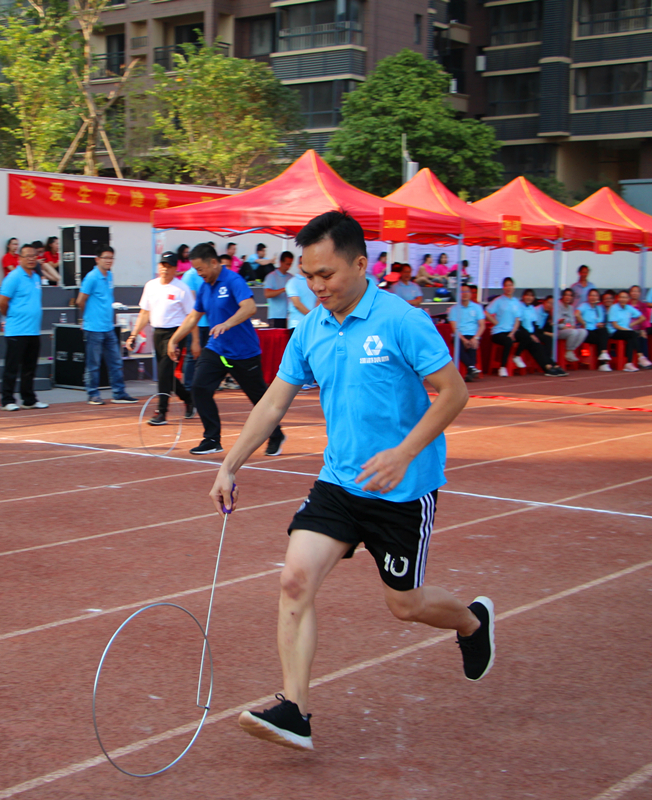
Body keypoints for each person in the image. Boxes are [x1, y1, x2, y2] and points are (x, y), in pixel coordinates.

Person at [208, 211, 495, 751]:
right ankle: (295, 709)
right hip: (339, 482)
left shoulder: (402, 320)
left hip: (402, 490)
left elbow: (453, 392)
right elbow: (273, 403)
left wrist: (403, 454)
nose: (316, 286)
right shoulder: (310, 329)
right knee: (294, 580)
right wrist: (230, 463)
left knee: (405, 606)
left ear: (361, 265)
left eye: (327, 274)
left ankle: (471, 623)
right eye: (308, 276)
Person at [167, 244, 285, 456]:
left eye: (201, 268)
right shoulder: (205, 287)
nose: (199, 273)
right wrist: (174, 340)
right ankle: (212, 439)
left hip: (243, 352)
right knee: (199, 388)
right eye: (195, 270)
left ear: (213, 262)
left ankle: (276, 434)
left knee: (259, 399)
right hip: (216, 349)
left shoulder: (233, 280)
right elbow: (193, 316)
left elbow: (250, 307)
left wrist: (227, 323)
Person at [126, 252, 194, 425]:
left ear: (175, 269)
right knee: (167, 374)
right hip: (158, 333)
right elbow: (144, 313)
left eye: (169, 266)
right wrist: (133, 334)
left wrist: (195, 341)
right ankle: (188, 398)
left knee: (164, 373)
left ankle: (161, 412)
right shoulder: (151, 286)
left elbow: (192, 316)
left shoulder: (182, 289)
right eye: (163, 265)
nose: (165, 269)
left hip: (175, 335)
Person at [76, 245, 138, 405]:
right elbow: (80, 300)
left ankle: (119, 393)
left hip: (108, 326)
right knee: (93, 364)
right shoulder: (91, 277)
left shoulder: (110, 276)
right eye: (105, 258)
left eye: (111, 258)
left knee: (116, 362)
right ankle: (93, 394)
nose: (109, 261)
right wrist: (88, 318)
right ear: (97, 259)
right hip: (94, 328)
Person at [0, 244, 49, 411]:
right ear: (20, 258)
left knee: (29, 368)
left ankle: (29, 400)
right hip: (16, 330)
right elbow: (2, 302)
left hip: (33, 330)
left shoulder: (36, 277)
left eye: (34, 256)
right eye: (27, 256)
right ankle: (7, 400)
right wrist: (11, 316)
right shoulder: (13, 277)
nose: (31, 259)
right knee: (12, 367)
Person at [513, 289, 566, 376]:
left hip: (531, 333)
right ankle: (546, 366)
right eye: (527, 295)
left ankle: (551, 364)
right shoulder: (519, 307)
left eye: (531, 296)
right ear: (523, 296)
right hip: (521, 334)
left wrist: (534, 334)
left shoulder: (531, 308)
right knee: (537, 345)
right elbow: (519, 325)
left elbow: (534, 325)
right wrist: (531, 335)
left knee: (542, 343)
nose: (529, 297)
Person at [181, 258, 211, 392]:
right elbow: (191, 304)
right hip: (195, 324)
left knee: (207, 357)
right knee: (192, 355)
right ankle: (188, 387)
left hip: (209, 323)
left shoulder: (210, 274)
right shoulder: (190, 276)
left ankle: (203, 385)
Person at [485, 277, 522, 377]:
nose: (508, 287)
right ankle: (502, 367)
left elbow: (517, 320)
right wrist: (495, 322)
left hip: (511, 331)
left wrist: (512, 333)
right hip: (498, 332)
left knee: (526, 335)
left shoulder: (516, 302)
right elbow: (486, 312)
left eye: (510, 285)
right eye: (506, 285)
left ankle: (516, 356)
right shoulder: (498, 300)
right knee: (508, 341)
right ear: (503, 288)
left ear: (514, 287)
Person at [447, 284, 485, 382]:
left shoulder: (477, 307)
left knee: (473, 345)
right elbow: (454, 328)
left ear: (470, 293)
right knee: (458, 344)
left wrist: (476, 338)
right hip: (459, 335)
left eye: (467, 291)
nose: (464, 294)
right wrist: (463, 340)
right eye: (462, 291)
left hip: (473, 334)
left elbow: (482, 325)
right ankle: (471, 368)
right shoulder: (454, 309)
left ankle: (470, 370)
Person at [606, 290, 651, 371]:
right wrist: (627, 330)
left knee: (631, 338)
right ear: (617, 298)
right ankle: (640, 356)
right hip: (614, 331)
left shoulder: (629, 307)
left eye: (625, 297)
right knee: (632, 334)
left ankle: (628, 363)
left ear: (628, 299)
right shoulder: (614, 308)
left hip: (627, 332)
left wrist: (631, 325)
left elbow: (642, 318)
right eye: (621, 297)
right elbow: (615, 325)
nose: (623, 299)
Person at [575, 288, 612, 370]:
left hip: (596, 331)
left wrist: (600, 324)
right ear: (588, 297)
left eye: (595, 296)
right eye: (591, 295)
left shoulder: (599, 308)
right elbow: (577, 314)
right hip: (586, 331)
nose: (593, 297)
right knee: (602, 339)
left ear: (598, 297)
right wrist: (583, 323)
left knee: (604, 331)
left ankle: (603, 356)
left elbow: (600, 321)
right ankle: (603, 363)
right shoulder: (584, 305)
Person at [263, 251, 294, 328]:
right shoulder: (271, 276)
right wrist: (284, 289)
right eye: (287, 264)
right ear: (281, 262)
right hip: (275, 316)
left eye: (290, 264)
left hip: (289, 316)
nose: (288, 267)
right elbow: (267, 294)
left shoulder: (291, 277)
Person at [286, 257, 318, 330]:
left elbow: (319, 300)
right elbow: (297, 304)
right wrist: (312, 316)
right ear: (298, 265)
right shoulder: (292, 282)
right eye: (301, 263)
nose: (303, 265)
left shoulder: (315, 281)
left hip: (313, 324)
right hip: (297, 324)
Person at [557, 288, 587, 362]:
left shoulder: (571, 307)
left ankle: (571, 350)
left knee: (583, 332)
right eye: (566, 295)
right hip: (558, 330)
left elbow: (572, 322)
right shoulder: (557, 306)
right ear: (563, 296)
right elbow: (558, 323)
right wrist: (568, 326)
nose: (568, 297)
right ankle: (568, 351)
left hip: (568, 329)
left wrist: (568, 326)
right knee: (574, 332)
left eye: (570, 295)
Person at [628, 284, 652, 361]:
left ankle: (644, 359)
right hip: (628, 328)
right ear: (630, 293)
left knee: (643, 335)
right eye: (633, 291)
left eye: (636, 291)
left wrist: (642, 329)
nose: (634, 293)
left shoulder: (643, 305)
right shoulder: (627, 305)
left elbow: (644, 319)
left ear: (640, 293)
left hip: (639, 328)